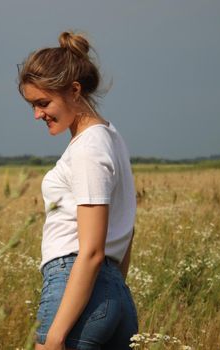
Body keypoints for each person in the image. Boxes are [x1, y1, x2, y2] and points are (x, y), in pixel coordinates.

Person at [17, 30, 138, 350]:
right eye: (32, 105)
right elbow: (127, 231)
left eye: (43, 103)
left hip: (76, 289)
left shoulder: (88, 148)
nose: (37, 115)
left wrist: (56, 336)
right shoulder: (110, 137)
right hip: (113, 295)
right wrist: (113, 292)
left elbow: (93, 250)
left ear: (73, 90)